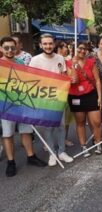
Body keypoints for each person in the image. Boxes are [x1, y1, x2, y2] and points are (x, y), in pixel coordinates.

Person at [0, 36, 47, 177]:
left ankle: (31, 156)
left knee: (26, 131)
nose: (10, 50)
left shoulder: (21, 63)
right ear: (1, 49)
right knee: (7, 134)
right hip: (5, 106)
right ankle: (11, 162)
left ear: (17, 48)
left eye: (12, 48)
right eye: (6, 48)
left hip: (22, 103)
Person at [29, 33, 73, 166]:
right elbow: (31, 80)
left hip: (59, 98)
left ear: (54, 44)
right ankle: (52, 153)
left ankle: (62, 152)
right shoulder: (35, 60)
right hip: (44, 99)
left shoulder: (60, 58)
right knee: (47, 128)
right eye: (45, 44)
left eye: (50, 43)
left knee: (60, 126)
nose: (48, 46)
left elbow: (64, 76)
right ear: (41, 45)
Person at [66, 42, 102, 157]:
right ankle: (83, 146)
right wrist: (73, 65)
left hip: (90, 94)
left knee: (96, 122)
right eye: (80, 48)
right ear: (74, 49)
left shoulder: (91, 62)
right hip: (76, 96)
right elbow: (74, 81)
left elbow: (97, 80)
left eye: (85, 49)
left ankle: (98, 143)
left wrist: (100, 97)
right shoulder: (67, 63)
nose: (82, 51)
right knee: (80, 122)